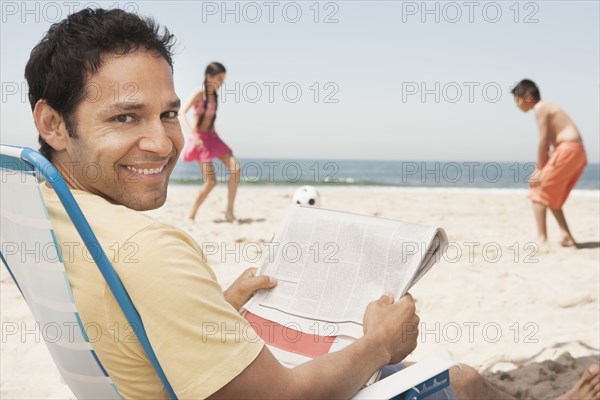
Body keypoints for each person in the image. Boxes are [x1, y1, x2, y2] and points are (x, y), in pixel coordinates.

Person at [24, 8, 599, 399]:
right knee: (463, 378)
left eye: (167, 114)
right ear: (52, 122)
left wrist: (219, 304)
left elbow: (128, 317)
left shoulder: (42, 212)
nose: (161, 141)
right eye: (125, 117)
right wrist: (381, 343)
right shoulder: (151, 249)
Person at [512, 79, 587, 247]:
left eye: (517, 99)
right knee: (549, 192)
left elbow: (544, 141)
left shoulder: (540, 107)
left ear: (528, 96)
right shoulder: (546, 107)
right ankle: (566, 234)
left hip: (568, 150)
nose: (516, 105)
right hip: (575, 151)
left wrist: (538, 170)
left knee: (538, 189)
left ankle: (541, 238)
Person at [180, 62, 240, 223]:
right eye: (219, 78)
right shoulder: (200, 93)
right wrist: (192, 136)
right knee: (211, 182)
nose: (221, 83)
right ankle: (191, 213)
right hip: (199, 139)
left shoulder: (215, 96)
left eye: (223, 80)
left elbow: (210, 120)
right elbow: (181, 113)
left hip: (213, 138)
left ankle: (229, 212)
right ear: (208, 77)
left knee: (235, 168)